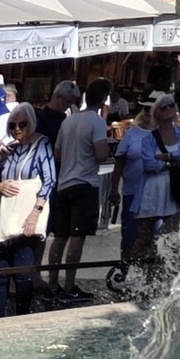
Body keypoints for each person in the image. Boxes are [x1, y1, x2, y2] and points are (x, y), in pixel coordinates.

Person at [47, 79, 110, 301]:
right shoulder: (97, 121)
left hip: (64, 183)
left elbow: (57, 154)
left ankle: (53, 283)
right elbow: (101, 154)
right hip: (85, 184)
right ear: (103, 100)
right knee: (77, 237)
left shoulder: (69, 121)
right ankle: (69, 285)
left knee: (60, 236)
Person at [0, 109, 55, 315]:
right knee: (0, 272)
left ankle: (21, 316)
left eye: (22, 124)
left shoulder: (42, 144)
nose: (17, 129)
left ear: (31, 123)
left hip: (26, 213)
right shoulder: (8, 150)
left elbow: (50, 180)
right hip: (5, 214)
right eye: (12, 125)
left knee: (22, 270)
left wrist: (35, 213)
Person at [115, 99, 180, 278]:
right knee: (130, 236)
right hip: (133, 193)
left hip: (159, 196)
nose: (147, 112)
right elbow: (119, 162)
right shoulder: (131, 134)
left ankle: (150, 276)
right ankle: (124, 273)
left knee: (156, 236)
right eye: (144, 108)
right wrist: (113, 190)